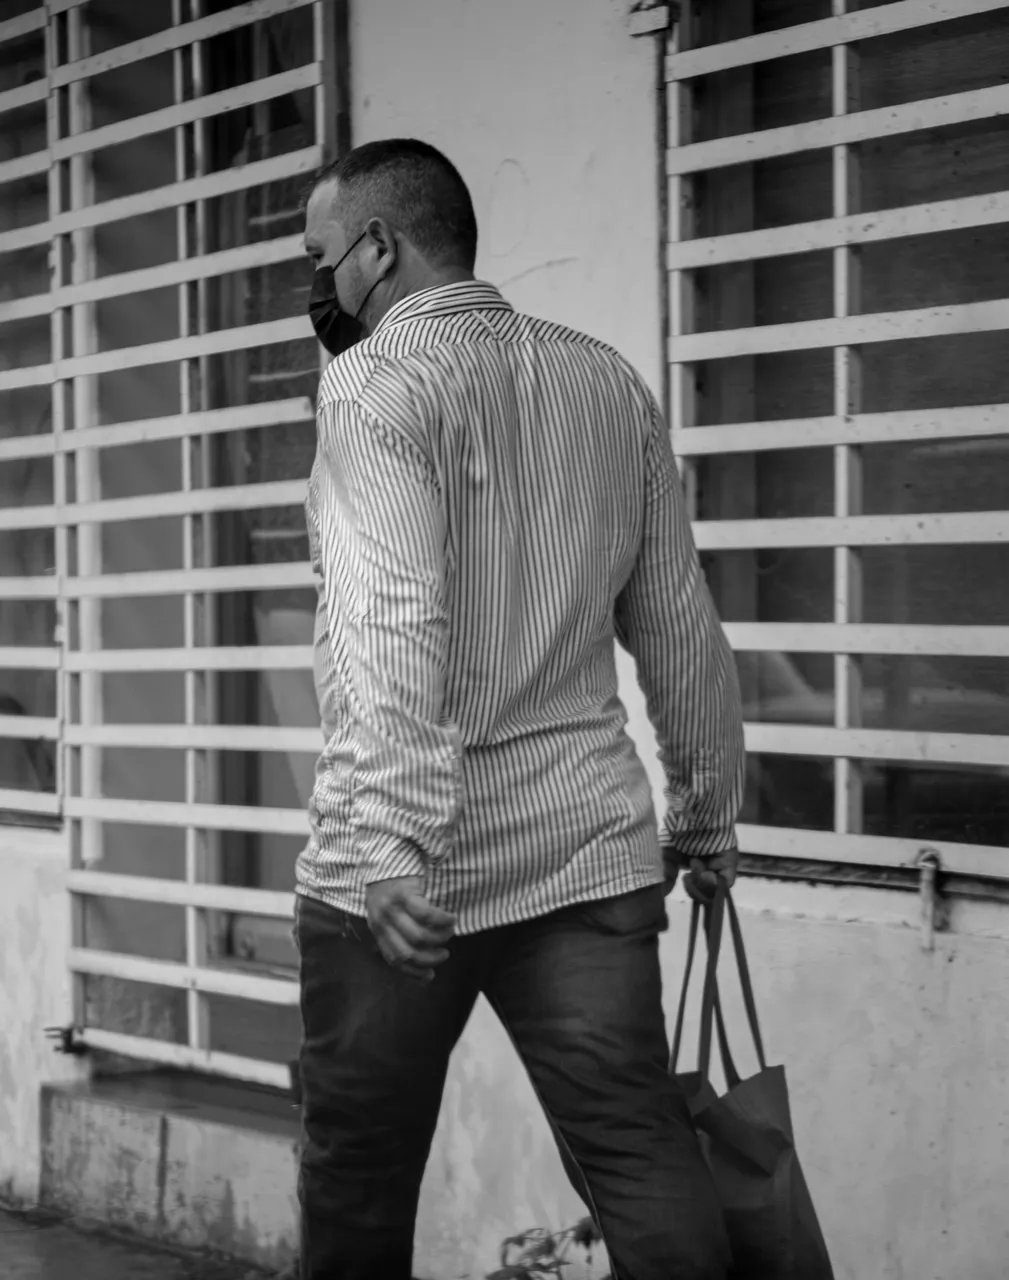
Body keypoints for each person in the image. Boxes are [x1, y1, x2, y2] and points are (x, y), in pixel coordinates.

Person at [297, 137, 745, 1280]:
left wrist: (390, 840)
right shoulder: (605, 381)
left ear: (377, 247)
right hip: (581, 850)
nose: (319, 282)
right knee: (638, 1148)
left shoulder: (370, 384)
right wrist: (704, 815)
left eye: (320, 255)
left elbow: (390, 617)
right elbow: (677, 617)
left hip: (403, 880)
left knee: (358, 1175)